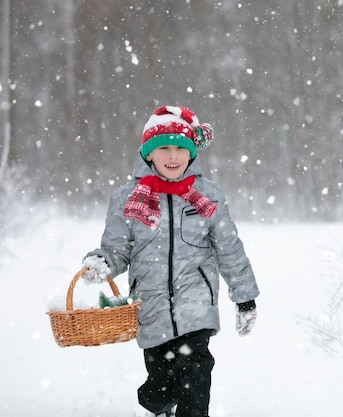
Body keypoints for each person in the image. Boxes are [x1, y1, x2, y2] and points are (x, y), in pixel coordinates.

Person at [81, 105, 260, 417]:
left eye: (181, 148)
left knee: (196, 372)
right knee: (160, 386)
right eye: (164, 148)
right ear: (149, 154)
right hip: (150, 306)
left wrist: (245, 297)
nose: (173, 156)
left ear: (191, 153)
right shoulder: (127, 199)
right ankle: (159, 404)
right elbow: (117, 249)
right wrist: (102, 262)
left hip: (196, 303)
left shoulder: (208, 196)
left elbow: (230, 249)